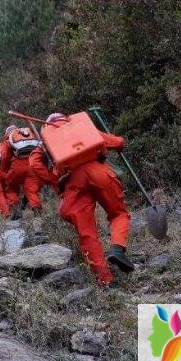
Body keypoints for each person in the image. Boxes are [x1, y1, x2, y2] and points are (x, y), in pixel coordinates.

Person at [32, 113, 134, 287]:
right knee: (118, 214)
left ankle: (105, 280)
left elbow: (34, 164)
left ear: (48, 126)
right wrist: (118, 142)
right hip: (99, 172)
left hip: (73, 182)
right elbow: (118, 142)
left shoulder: (47, 141)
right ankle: (117, 249)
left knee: (87, 234)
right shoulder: (82, 127)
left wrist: (54, 179)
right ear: (66, 119)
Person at [0, 125, 42, 220]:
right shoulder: (29, 136)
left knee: (11, 188)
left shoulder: (8, 140)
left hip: (16, 167)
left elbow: (5, 157)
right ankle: (37, 216)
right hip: (32, 165)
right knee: (31, 190)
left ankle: (16, 211)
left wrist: (5, 171)